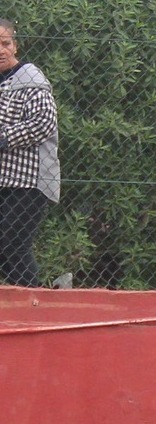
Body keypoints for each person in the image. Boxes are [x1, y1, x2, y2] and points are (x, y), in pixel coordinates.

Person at [0, 18, 59, 287]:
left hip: (30, 181)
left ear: (16, 45)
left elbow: (44, 123)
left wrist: (4, 138)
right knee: (8, 251)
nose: (1, 50)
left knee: (11, 243)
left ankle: (33, 300)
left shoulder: (30, 78)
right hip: (4, 181)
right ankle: (27, 300)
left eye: (6, 43)